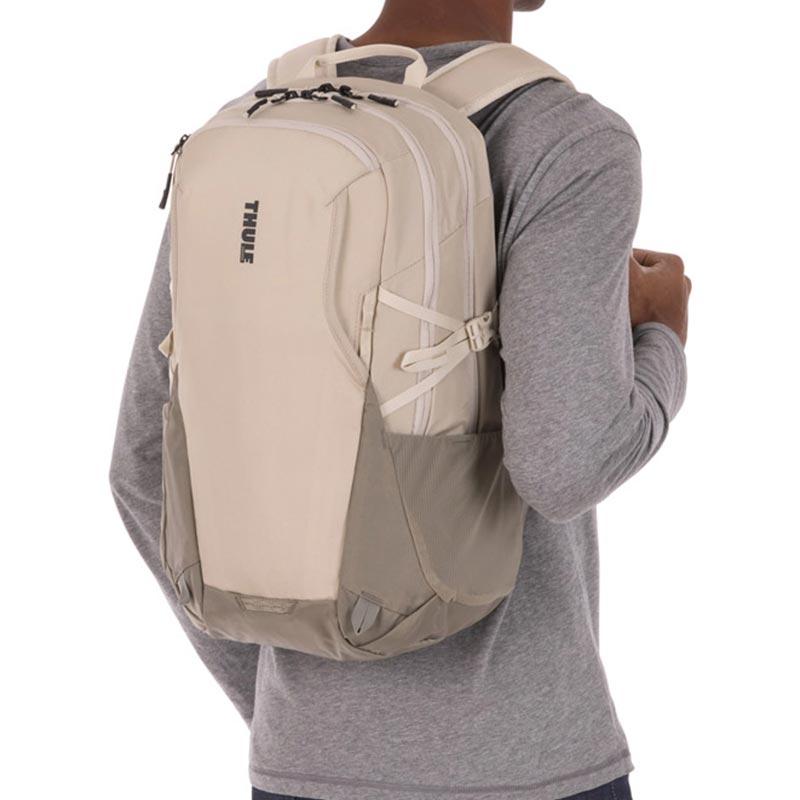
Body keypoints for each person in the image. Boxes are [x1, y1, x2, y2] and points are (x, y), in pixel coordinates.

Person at [109, 0, 690, 798]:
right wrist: (662, 336)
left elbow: (143, 465)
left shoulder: (260, 127)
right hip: (521, 766)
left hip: (299, 766)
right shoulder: (564, 139)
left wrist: (292, 709)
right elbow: (564, 465)